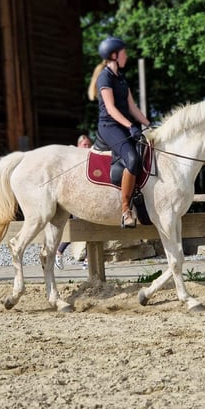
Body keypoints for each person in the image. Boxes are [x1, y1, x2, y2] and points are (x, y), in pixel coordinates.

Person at [88, 36, 151, 228]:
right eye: (124, 53)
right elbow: (111, 108)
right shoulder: (104, 77)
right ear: (114, 55)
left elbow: (132, 107)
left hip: (124, 125)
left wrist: (149, 125)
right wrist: (131, 126)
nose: (127, 56)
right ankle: (126, 211)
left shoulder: (121, 78)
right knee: (132, 159)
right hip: (109, 126)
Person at [55, 134, 92, 270]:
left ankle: (88, 260)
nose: (87, 147)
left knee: (90, 229)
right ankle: (59, 252)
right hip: (77, 200)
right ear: (78, 145)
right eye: (84, 145)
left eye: (88, 145)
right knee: (80, 229)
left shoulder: (90, 158)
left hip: (89, 199)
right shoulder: (73, 159)